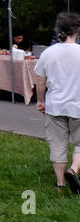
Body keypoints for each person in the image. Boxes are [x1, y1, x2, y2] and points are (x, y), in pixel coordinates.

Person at [36, 12, 80, 193]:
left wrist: (40, 100)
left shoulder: (48, 53)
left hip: (55, 105)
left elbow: (40, 80)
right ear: (77, 30)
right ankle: (73, 169)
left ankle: (60, 183)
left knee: (57, 144)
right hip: (78, 105)